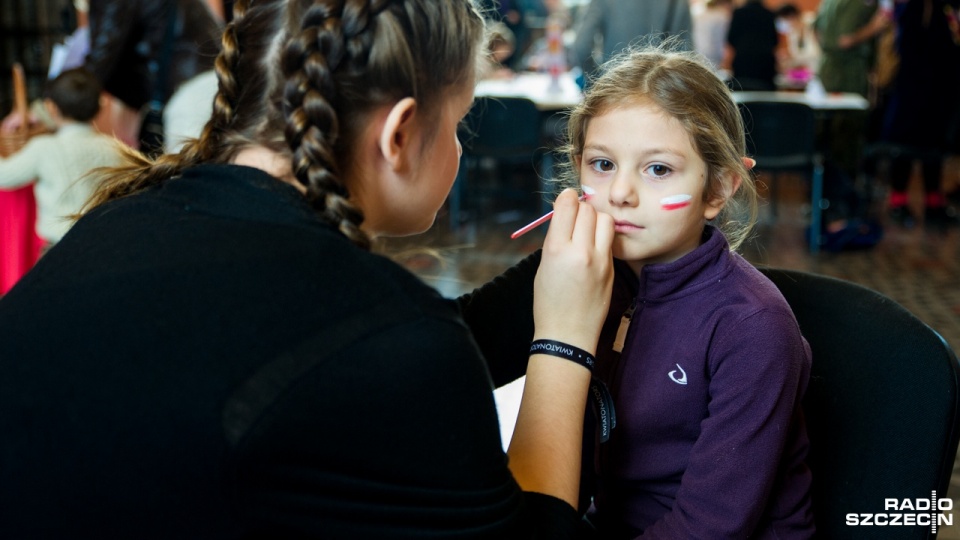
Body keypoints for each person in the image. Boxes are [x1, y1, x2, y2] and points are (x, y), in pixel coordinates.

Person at [0, 0, 615, 538]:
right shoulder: (384, 336)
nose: (459, 146)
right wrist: (565, 343)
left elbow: (363, 365)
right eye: (458, 124)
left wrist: (560, 274)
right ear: (399, 133)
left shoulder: (124, 223)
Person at [553, 44, 815, 538]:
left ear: (717, 189)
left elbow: (712, 526)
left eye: (658, 169)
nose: (619, 194)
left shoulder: (751, 327)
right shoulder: (589, 282)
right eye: (602, 164)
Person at [0, 67, 122, 250]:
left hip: (57, 248)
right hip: (103, 244)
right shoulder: (114, 147)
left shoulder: (45, 148)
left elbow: (4, 176)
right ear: (100, 106)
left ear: (51, 107)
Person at [84, 0, 222, 151]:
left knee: (187, 165)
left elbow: (104, 51)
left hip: (186, 89)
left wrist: (63, 101)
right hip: (203, 77)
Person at [880, 0, 960, 230]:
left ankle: (933, 202)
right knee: (905, 146)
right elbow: (908, 45)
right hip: (914, 88)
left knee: (933, 148)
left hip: (936, 90)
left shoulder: (943, 7)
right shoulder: (916, 7)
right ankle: (898, 201)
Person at [570, 0, 693, 77]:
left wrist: (597, 82)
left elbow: (581, 46)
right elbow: (686, 55)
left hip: (615, 87)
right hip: (661, 91)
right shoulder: (678, 2)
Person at [723, 0, 779, 91]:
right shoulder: (769, 14)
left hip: (743, 63)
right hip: (765, 65)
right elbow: (775, 41)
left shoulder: (738, 13)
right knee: (766, 99)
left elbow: (731, 39)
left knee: (743, 97)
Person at [692, 0, 734, 72]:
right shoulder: (722, 16)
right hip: (713, 60)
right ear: (727, 4)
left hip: (696, 56)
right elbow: (722, 43)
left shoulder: (700, 14)